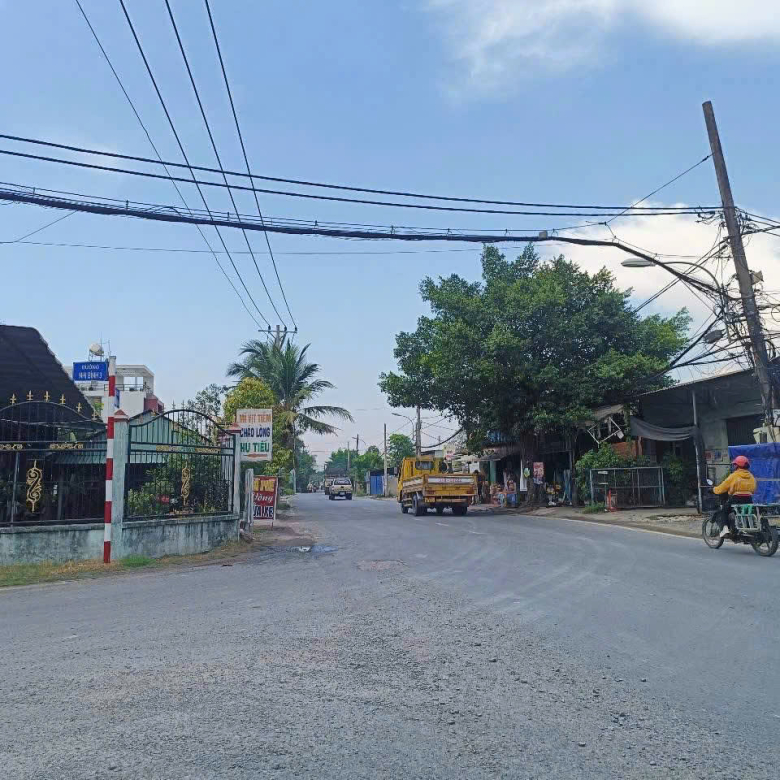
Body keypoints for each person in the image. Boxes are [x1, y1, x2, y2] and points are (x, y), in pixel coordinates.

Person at [712, 455, 757, 538]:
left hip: (736, 499)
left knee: (723, 511)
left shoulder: (734, 476)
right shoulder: (751, 476)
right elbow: (753, 489)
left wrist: (714, 490)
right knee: (746, 513)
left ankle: (725, 530)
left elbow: (723, 487)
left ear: (737, 465)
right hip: (748, 499)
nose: (734, 466)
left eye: (735, 464)